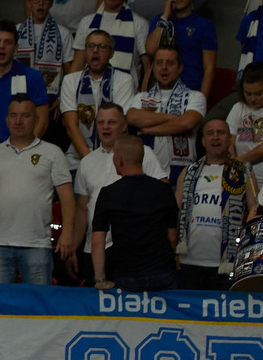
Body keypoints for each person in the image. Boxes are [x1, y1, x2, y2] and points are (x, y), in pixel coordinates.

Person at [0, 97, 72, 285]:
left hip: (37, 244)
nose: (18, 121)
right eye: (14, 115)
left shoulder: (53, 152)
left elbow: (67, 197)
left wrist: (67, 233)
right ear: (7, 120)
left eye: (25, 116)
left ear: (36, 119)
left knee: (38, 301)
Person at [69, 104, 167, 287]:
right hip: (94, 249)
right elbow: (82, 209)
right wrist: (73, 248)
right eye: (101, 122)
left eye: (112, 122)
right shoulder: (87, 162)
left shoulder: (143, 153)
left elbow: (162, 194)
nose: (105, 127)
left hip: (133, 251)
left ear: (124, 125)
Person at [91, 135, 179, 292]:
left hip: (127, 275)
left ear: (119, 160)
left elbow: (97, 240)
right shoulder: (164, 190)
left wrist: (100, 280)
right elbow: (172, 237)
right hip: (163, 273)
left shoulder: (109, 193)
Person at [175, 119, 256, 290]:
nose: (215, 137)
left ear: (230, 139)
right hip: (189, 262)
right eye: (210, 133)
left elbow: (254, 213)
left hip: (226, 264)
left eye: (221, 133)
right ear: (203, 141)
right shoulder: (188, 172)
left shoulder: (243, 172)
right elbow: (176, 212)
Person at [60, 29, 140, 170]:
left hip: (114, 160)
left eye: (102, 46)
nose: (95, 50)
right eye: (91, 46)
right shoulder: (70, 80)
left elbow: (120, 124)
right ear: (85, 51)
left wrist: (103, 163)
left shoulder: (124, 80)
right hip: (78, 160)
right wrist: (91, 162)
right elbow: (71, 127)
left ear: (111, 53)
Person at [126, 43, 206, 182]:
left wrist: (149, 129)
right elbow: (132, 117)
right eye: (159, 63)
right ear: (153, 68)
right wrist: (173, 118)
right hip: (146, 174)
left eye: (170, 63)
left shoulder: (195, 96)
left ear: (180, 68)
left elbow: (187, 123)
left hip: (181, 176)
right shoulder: (142, 97)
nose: (164, 67)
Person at [67, 0, 148, 79]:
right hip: (90, 88)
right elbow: (77, 66)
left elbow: (148, 69)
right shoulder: (87, 22)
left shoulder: (139, 23)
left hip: (126, 89)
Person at [145, 0, 217, 98]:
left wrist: (202, 101)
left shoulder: (205, 25)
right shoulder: (159, 20)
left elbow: (209, 69)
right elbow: (150, 50)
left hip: (191, 90)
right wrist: (165, 16)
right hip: (160, 91)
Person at [15, 0, 72, 99]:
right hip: (19, 96)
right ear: (29, 2)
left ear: (51, 3)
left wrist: (61, 99)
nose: (40, 3)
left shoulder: (63, 33)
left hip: (50, 98)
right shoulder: (16, 31)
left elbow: (69, 73)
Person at [230, 63, 263, 187]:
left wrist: (237, 162)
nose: (253, 98)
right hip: (239, 177)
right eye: (248, 94)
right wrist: (233, 164)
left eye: (258, 94)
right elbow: (229, 142)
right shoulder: (238, 108)